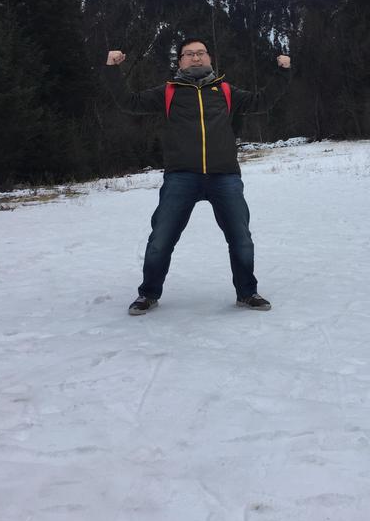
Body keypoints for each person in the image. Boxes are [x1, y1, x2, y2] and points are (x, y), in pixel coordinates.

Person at [104, 37, 291, 315]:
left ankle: (247, 293)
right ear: (179, 61)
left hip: (224, 177)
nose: (195, 57)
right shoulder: (168, 92)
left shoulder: (225, 90)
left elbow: (261, 101)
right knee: (161, 239)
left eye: (201, 53)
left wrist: (283, 71)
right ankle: (148, 294)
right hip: (181, 177)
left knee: (241, 239)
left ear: (209, 58)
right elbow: (129, 101)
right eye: (189, 54)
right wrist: (112, 69)